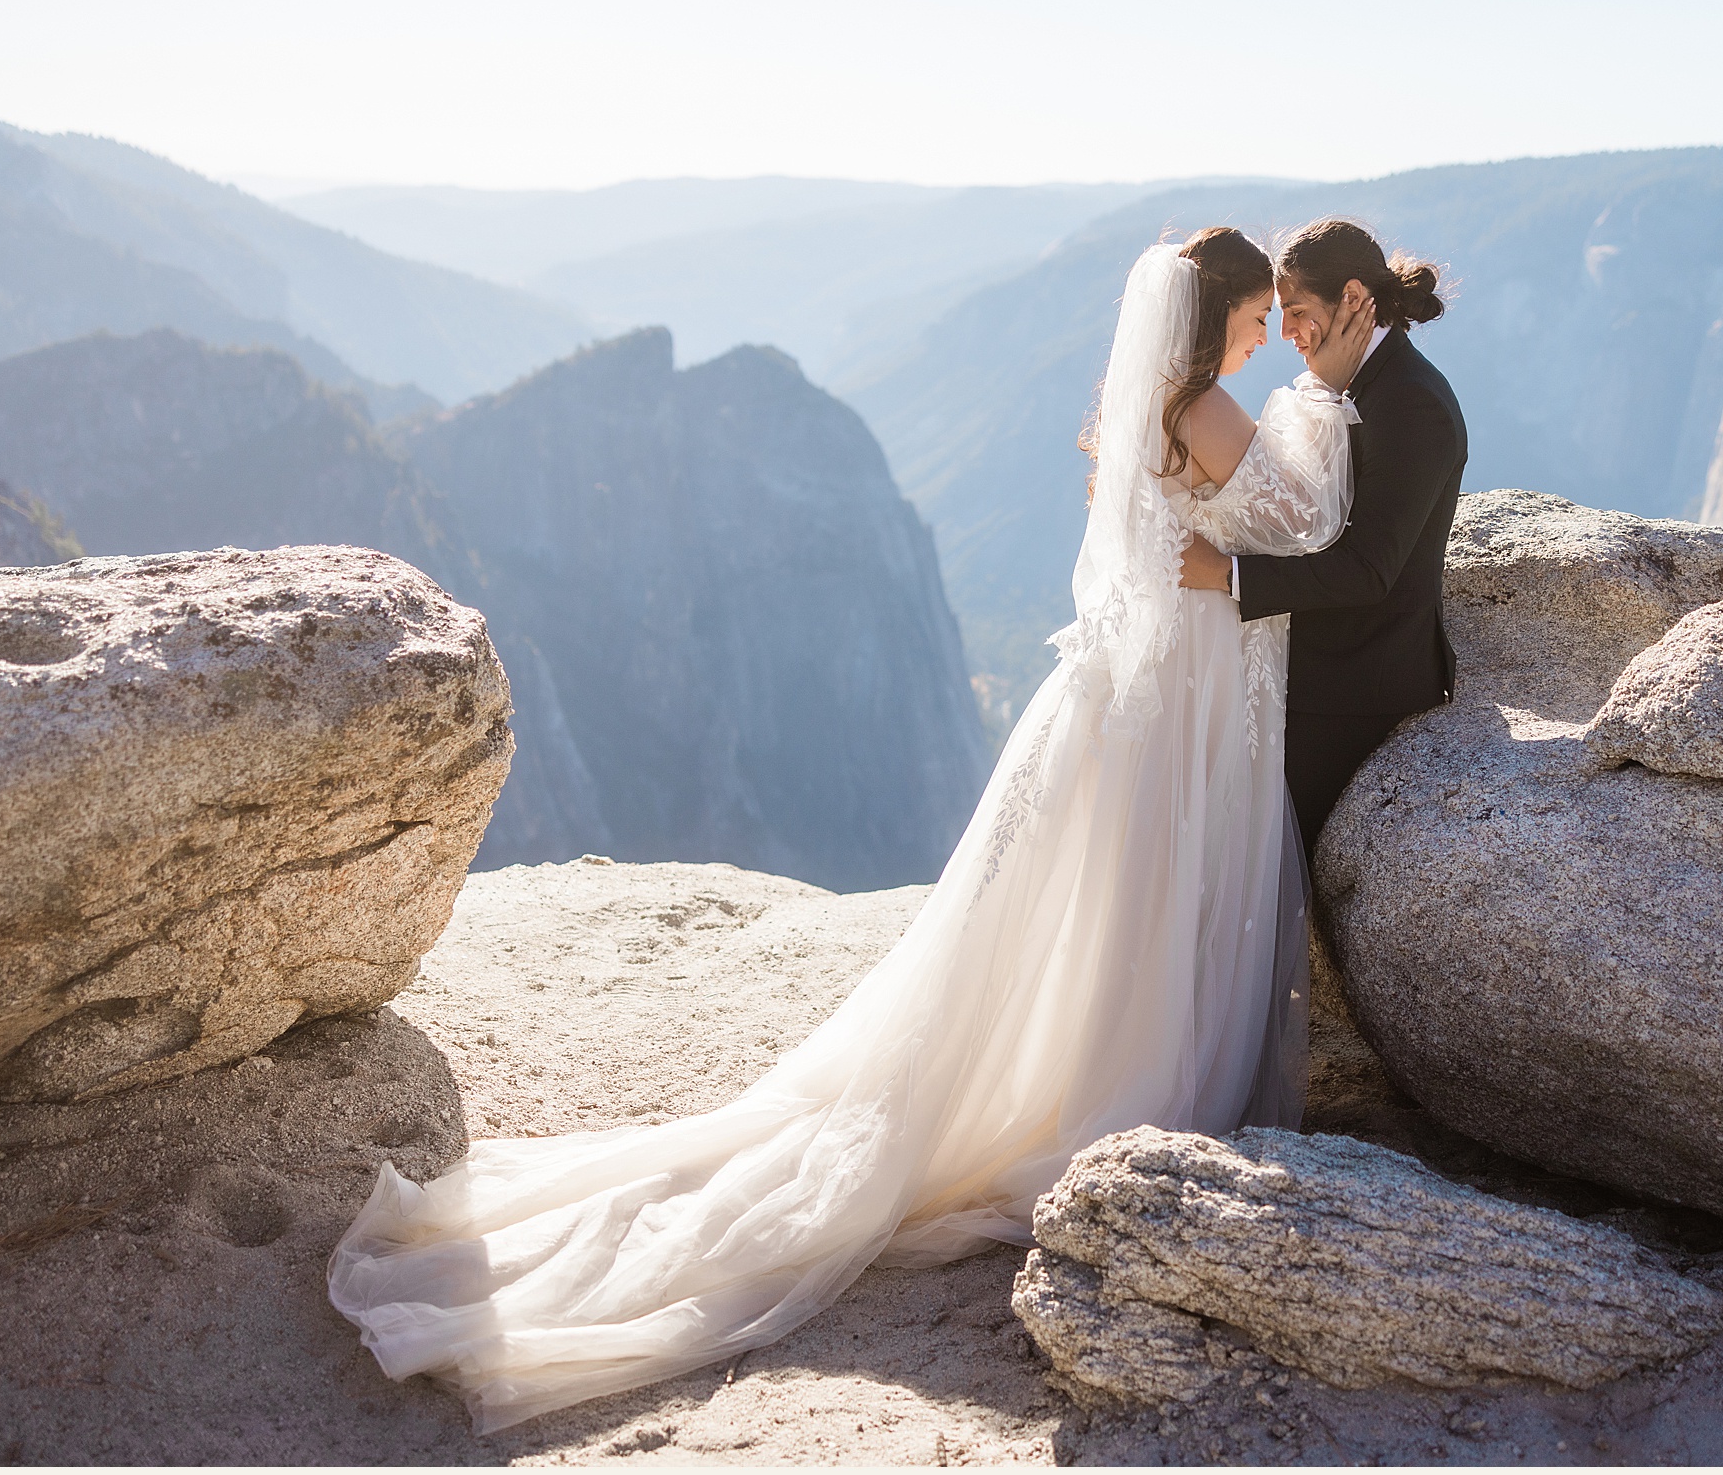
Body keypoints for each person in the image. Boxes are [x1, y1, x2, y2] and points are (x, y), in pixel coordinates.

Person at [328, 226, 1369, 1431]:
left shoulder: (1155, 407)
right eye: (1253, 321)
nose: (1263, 338)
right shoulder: (1209, 410)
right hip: (1182, 702)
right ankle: (1123, 1093)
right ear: (1212, 320)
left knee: (1106, 911)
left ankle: (1089, 1075)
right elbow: (1303, 525)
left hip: (1134, 700)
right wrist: (1325, 398)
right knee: (1150, 905)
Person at [1179, 216, 1466, 854]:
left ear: (1355, 299)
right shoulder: (1349, 386)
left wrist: (1225, 575)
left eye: (1297, 311)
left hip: (1353, 693)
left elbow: (1369, 569)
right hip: (1304, 674)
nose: (1284, 333)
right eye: (1275, 314)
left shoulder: (1410, 404)